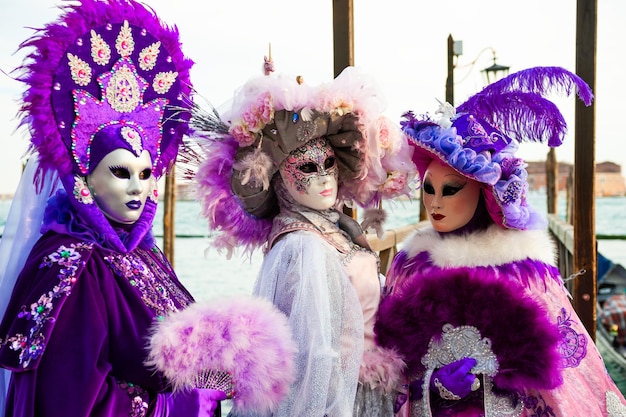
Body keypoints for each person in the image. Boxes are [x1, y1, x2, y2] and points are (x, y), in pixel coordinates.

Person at [0, 0, 227, 415]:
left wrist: (222, 377)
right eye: (121, 172)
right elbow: (71, 400)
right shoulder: (72, 266)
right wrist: (186, 402)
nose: (137, 189)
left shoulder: (140, 252)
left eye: (145, 174)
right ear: (84, 178)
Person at [373, 66, 626, 416]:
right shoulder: (411, 265)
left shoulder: (525, 272)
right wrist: (435, 384)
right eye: (428, 189)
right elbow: (391, 365)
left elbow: (566, 377)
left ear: (485, 193)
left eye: (450, 190)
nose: (434, 203)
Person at [188, 65, 416, 416]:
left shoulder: (335, 230)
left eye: (328, 164)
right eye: (307, 168)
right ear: (278, 179)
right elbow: (313, 353)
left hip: (369, 391)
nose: (324, 177)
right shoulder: (303, 245)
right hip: (338, 401)